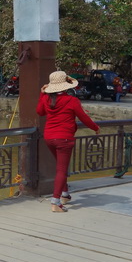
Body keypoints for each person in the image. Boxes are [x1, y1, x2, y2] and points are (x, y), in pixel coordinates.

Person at [37, 71, 100, 213]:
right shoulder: (71, 101)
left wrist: (42, 94)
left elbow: (40, 112)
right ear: (65, 86)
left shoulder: (47, 99)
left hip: (49, 137)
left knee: (60, 168)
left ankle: (65, 194)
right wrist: (95, 128)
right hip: (64, 138)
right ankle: (56, 202)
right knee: (61, 170)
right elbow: (84, 117)